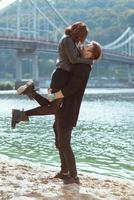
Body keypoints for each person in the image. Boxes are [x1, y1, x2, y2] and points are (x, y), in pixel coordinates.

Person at [11, 21, 102, 184]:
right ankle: (64, 171)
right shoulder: (74, 50)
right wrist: (55, 92)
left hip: (68, 108)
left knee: (64, 142)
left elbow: (72, 88)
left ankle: (73, 176)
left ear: (91, 55)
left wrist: (55, 94)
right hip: (64, 103)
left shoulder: (83, 67)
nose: (84, 46)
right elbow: (71, 64)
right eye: (84, 43)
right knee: (58, 136)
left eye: (87, 48)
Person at [11, 40, 102, 128]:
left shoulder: (79, 55)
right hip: (61, 80)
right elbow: (71, 87)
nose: (85, 48)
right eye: (87, 46)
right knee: (53, 108)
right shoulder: (79, 56)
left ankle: (31, 93)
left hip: (59, 78)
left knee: (52, 106)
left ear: (92, 55)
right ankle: (21, 114)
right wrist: (55, 95)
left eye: (89, 49)